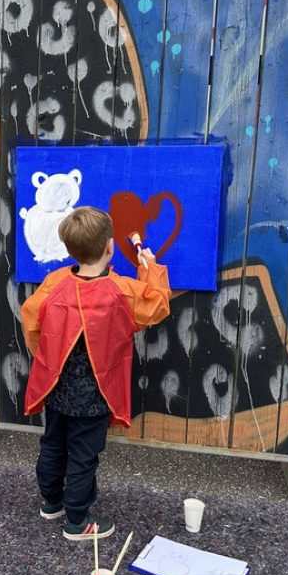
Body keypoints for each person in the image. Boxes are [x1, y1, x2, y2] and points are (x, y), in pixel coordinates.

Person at [20, 206, 171, 541]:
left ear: (70, 249)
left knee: (53, 445)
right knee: (84, 456)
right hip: (96, 396)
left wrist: (46, 359)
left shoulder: (54, 283)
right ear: (109, 247)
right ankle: (77, 520)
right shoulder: (122, 289)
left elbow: (31, 322)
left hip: (56, 390)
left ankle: (52, 502)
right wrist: (151, 268)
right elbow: (158, 303)